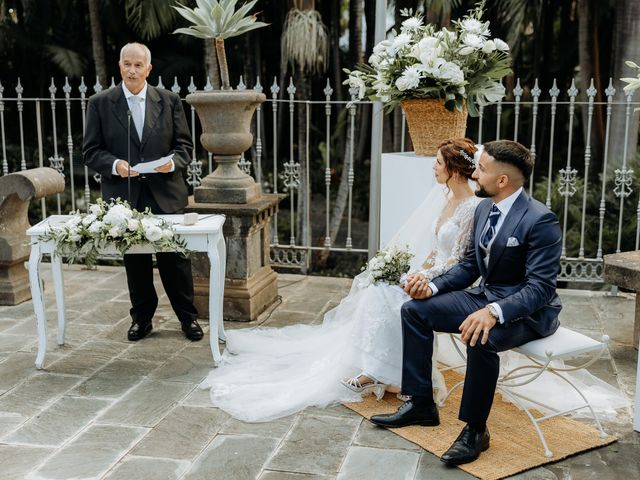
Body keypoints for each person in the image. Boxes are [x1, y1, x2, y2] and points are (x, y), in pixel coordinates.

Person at [200, 138, 482, 422]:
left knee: (388, 297)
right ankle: (375, 370)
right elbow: (436, 250)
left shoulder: (471, 207)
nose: (433, 168)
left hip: (449, 282)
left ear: (455, 171)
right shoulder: (446, 198)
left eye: (438, 163)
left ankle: (381, 373)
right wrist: (413, 271)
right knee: (377, 289)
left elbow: (458, 259)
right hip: (430, 274)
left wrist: (425, 277)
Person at [369, 139, 563, 466]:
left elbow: (540, 289)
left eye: (482, 169)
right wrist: (431, 287)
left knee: (480, 336)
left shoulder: (540, 220)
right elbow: (471, 264)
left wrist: (494, 312)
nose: (474, 173)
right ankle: (421, 405)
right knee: (414, 311)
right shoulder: (485, 206)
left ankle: (476, 430)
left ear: (502, 180)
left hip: (528, 312)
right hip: (485, 297)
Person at [83, 42, 203, 342]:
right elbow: (91, 151)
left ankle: (188, 319)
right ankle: (142, 320)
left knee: (175, 260)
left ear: (149, 69)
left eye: (138, 65)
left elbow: (185, 148)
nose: (132, 70)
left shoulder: (170, 100)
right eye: (127, 64)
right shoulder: (100, 102)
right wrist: (115, 165)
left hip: (166, 193)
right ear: (119, 66)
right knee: (135, 263)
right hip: (124, 196)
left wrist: (172, 163)